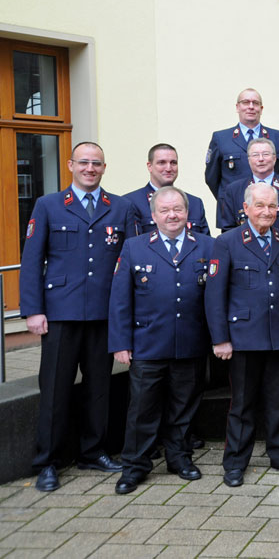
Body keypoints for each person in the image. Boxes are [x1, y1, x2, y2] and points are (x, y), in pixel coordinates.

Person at [20, 142, 133, 492]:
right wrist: (34, 309)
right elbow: (31, 260)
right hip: (60, 314)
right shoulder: (49, 205)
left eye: (96, 163)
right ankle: (48, 462)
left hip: (103, 314)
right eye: (83, 162)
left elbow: (130, 263)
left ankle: (93, 451)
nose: (89, 168)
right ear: (70, 165)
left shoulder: (121, 207)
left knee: (99, 389)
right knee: (54, 390)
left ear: (104, 167)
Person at [108, 187, 212, 494]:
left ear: (187, 212)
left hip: (190, 342)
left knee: (184, 406)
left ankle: (179, 458)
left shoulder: (207, 246)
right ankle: (135, 466)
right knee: (142, 408)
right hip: (147, 343)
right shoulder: (134, 247)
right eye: (165, 210)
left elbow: (216, 299)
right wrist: (120, 342)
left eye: (178, 209)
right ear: (153, 216)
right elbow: (120, 300)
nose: (172, 215)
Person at [205, 183, 279, 488]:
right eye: (260, 206)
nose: (267, 212)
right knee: (243, 404)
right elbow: (214, 296)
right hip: (243, 338)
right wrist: (220, 339)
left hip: (278, 335)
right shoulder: (227, 242)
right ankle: (235, 462)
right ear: (245, 209)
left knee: (278, 402)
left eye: (272, 207)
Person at [205, 88, 279, 226]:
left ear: (261, 108)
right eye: (246, 102)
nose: (251, 107)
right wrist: (230, 199)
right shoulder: (221, 138)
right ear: (237, 107)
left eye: (255, 103)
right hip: (235, 214)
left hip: (270, 214)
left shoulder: (278, 137)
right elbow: (212, 178)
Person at [218, 138, 279, 232]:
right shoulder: (234, 190)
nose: (261, 159)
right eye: (255, 155)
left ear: (274, 158)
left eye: (266, 154)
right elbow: (228, 230)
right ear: (249, 160)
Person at [124, 143, 210, 236]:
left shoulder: (195, 203)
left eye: (173, 163)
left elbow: (205, 244)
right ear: (149, 166)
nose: (169, 168)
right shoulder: (130, 203)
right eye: (162, 163)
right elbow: (133, 245)